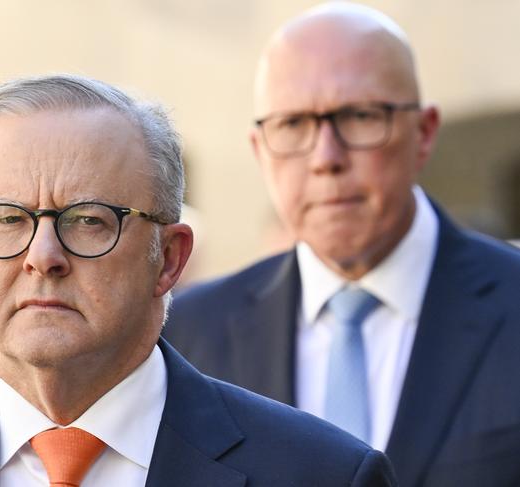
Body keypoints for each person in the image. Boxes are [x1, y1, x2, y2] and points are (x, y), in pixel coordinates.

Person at [0, 74, 396, 486]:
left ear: (169, 257)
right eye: (8, 220)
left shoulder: (319, 475)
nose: (43, 256)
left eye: (88, 219)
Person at [164, 3, 520, 487]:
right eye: (292, 125)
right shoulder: (189, 335)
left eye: (359, 116)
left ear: (424, 133)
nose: (326, 157)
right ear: (259, 150)